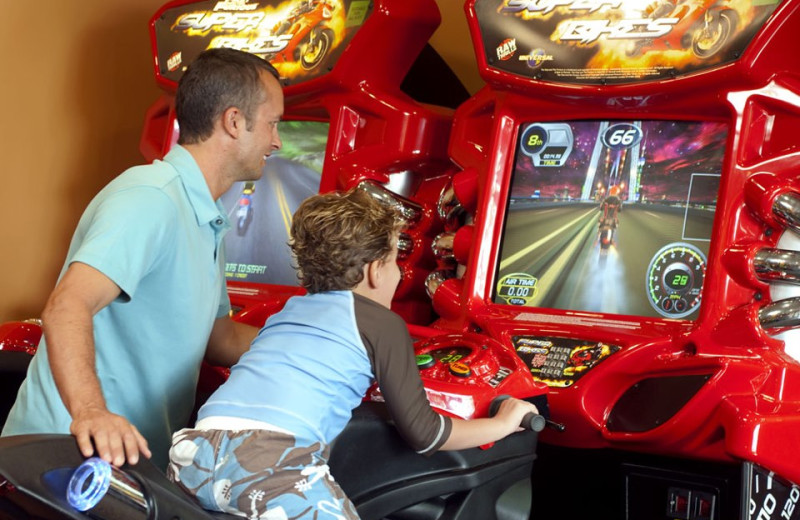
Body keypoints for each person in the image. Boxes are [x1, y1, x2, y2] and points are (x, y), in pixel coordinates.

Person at [167, 188, 539, 519]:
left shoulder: (288, 312)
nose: (396, 274)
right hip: (271, 461)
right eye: (395, 262)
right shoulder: (381, 323)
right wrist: (503, 423)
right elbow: (424, 434)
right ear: (376, 271)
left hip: (194, 451)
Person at [1, 47, 284, 470]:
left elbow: (220, 338)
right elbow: (67, 306)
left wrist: (306, 338)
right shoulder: (152, 197)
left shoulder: (206, 215)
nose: (277, 141)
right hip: (61, 454)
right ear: (234, 121)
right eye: (272, 124)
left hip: (124, 460)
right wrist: (92, 412)